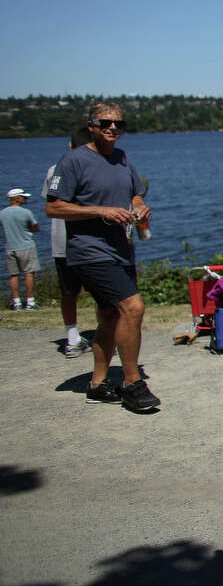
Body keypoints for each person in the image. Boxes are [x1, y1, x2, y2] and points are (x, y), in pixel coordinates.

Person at [44, 102, 160, 412]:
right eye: (105, 123)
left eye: (118, 124)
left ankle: (96, 383)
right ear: (92, 125)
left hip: (121, 249)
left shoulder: (122, 158)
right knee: (133, 308)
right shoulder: (73, 161)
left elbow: (136, 191)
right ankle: (133, 383)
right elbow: (53, 207)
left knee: (109, 316)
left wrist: (139, 206)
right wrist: (100, 210)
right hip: (89, 252)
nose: (112, 128)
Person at [42, 127, 94, 356]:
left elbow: (50, 200)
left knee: (68, 292)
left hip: (61, 242)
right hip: (89, 242)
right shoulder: (96, 167)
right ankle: (106, 338)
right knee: (103, 294)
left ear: (70, 145)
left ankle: (72, 337)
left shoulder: (54, 170)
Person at [2, 188, 40, 311]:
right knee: (29, 274)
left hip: (10, 246)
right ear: (17, 198)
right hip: (26, 246)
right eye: (23, 197)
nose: (25, 199)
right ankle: (30, 302)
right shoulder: (26, 212)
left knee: (14, 275)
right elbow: (35, 228)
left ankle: (16, 303)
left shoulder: (2, 213)